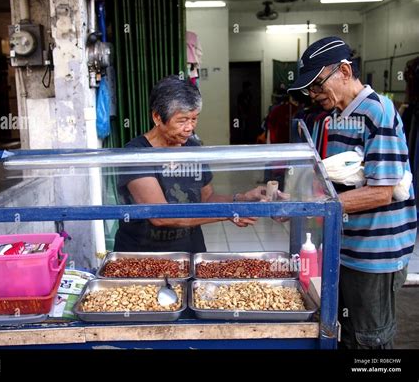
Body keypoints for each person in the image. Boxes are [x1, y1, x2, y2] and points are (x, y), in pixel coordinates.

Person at [288, 37, 417, 349]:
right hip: (345, 248)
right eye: (309, 89)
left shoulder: (378, 113)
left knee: (370, 339)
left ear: (344, 70)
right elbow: (333, 184)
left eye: (318, 84)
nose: (314, 94)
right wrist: (292, 200)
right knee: (344, 331)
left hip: (375, 254)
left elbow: (381, 193)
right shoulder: (333, 118)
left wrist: (316, 207)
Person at [115, 75, 274, 253]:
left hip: (189, 252)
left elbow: (206, 199)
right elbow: (160, 215)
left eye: (194, 119)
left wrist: (240, 199)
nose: (190, 128)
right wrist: (229, 212)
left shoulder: (193, 148)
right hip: (144, 258)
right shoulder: (137, 153)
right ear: (157, 117)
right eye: (182, 120)